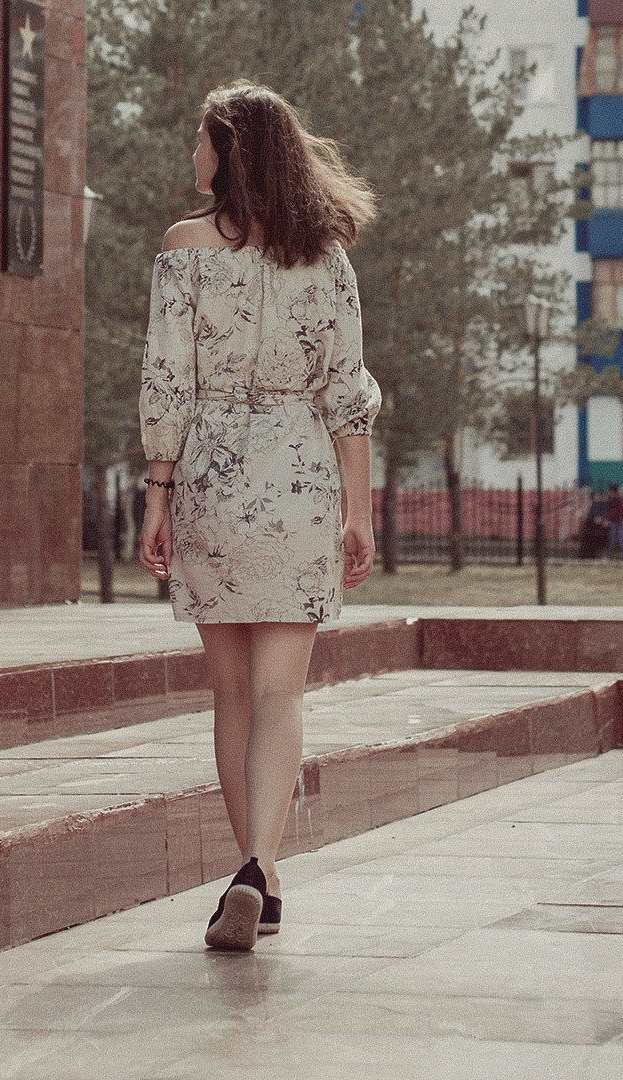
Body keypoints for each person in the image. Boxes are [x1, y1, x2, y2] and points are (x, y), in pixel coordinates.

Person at [137, 82, 380, 952]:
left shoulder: (183, 251)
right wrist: (360, 510)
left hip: (211, 477)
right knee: (282, 693)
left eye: (200, 142)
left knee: (231, 692)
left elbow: (167, 383)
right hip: (302, 478)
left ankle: (254, 874)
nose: (191, 157)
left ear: (228, 152)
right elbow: (347, 396)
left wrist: (157, 495)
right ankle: (260, 866)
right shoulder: (328, 259)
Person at [605, 484, 623, 556]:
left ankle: (622, 551)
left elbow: (615, 511)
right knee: (613, 537)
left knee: (620, 537)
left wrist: (609, 519)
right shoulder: (612, 500)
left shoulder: (617, 500)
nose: (609, 493)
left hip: (618, 521)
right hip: (616, 521)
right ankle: (611, 551)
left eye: (610, 491)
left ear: (613, 492)